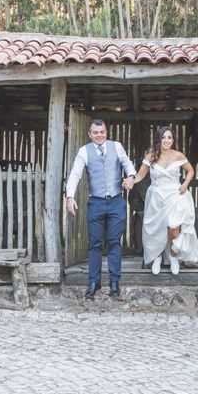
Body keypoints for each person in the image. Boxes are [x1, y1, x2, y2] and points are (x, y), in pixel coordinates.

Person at [66, 119, 136, 299]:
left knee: (114, 242)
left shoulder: (117, 146)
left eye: (102, 132)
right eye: (95, 132)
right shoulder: (84, 151)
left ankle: (114, 282)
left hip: (115, 202)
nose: (99, 135)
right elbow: (75, 174)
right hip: (95, 203)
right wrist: (70, 197)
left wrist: (131, 177)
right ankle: (93, 282)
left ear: (106, 132)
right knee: (95, 243)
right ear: (90, 134)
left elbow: (128, 164)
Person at [130, 126, 198, 275]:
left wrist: (185, 184)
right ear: (158, 139)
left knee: (174, 228)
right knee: (155, 230)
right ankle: (157, 257)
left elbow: (190, 170)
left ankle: (173, 256)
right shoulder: (151, 156)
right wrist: (131, 182)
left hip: (175, 195)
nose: (167, 140)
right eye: (163, 137)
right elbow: (140, 175)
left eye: (169, 138)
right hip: (156, 196)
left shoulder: (178, 155)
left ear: (173, 140)